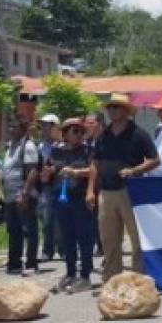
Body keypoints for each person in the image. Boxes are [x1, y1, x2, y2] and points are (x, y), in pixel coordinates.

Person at [88, 93, 159, 280]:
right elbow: (95, 163)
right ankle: (111, 278)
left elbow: (154, 160)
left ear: (126, 111)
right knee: (109, 238)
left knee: (136, 238)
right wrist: (90, 191)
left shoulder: (139, 133)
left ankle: (138, 277)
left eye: (117, 107)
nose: (112, 110)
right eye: (110, 107)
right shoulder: (103, 135)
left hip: (131, 190)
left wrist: (134, 170)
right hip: (106, 191)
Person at [51, 118, 95, 294]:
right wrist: (47, 174)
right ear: (65, 134)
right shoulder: (56, 152)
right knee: (66, 237)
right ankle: (70, 273)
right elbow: (50, 171)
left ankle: (85, 276)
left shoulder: (88, 151)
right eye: (74, 131)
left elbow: (93, 170)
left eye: (80, 131)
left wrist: (76, 172)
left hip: (80, 198)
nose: (78, 134)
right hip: (62, 198)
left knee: (84, 237)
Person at [2, 116, 40, 276]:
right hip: (10, 196)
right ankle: (14, 262)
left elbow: (32, 171)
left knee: (28, 229)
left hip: (23, 194)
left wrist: (24, 193)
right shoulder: (10, 146)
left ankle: (31, 262)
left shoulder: (28, 146)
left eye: (15, 127)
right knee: (13, 230)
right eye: (9, 126)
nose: (11, 130)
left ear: (23, 129)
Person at [36, 113, 61, 263]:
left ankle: (64, 248)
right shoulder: (40, 146)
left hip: (61, 184)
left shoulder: (62, 145)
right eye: (43, 126)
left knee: (63, 218)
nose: (44, 129)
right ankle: (48, 249)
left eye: (47, 125)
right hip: (46, 186)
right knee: (47, 218)